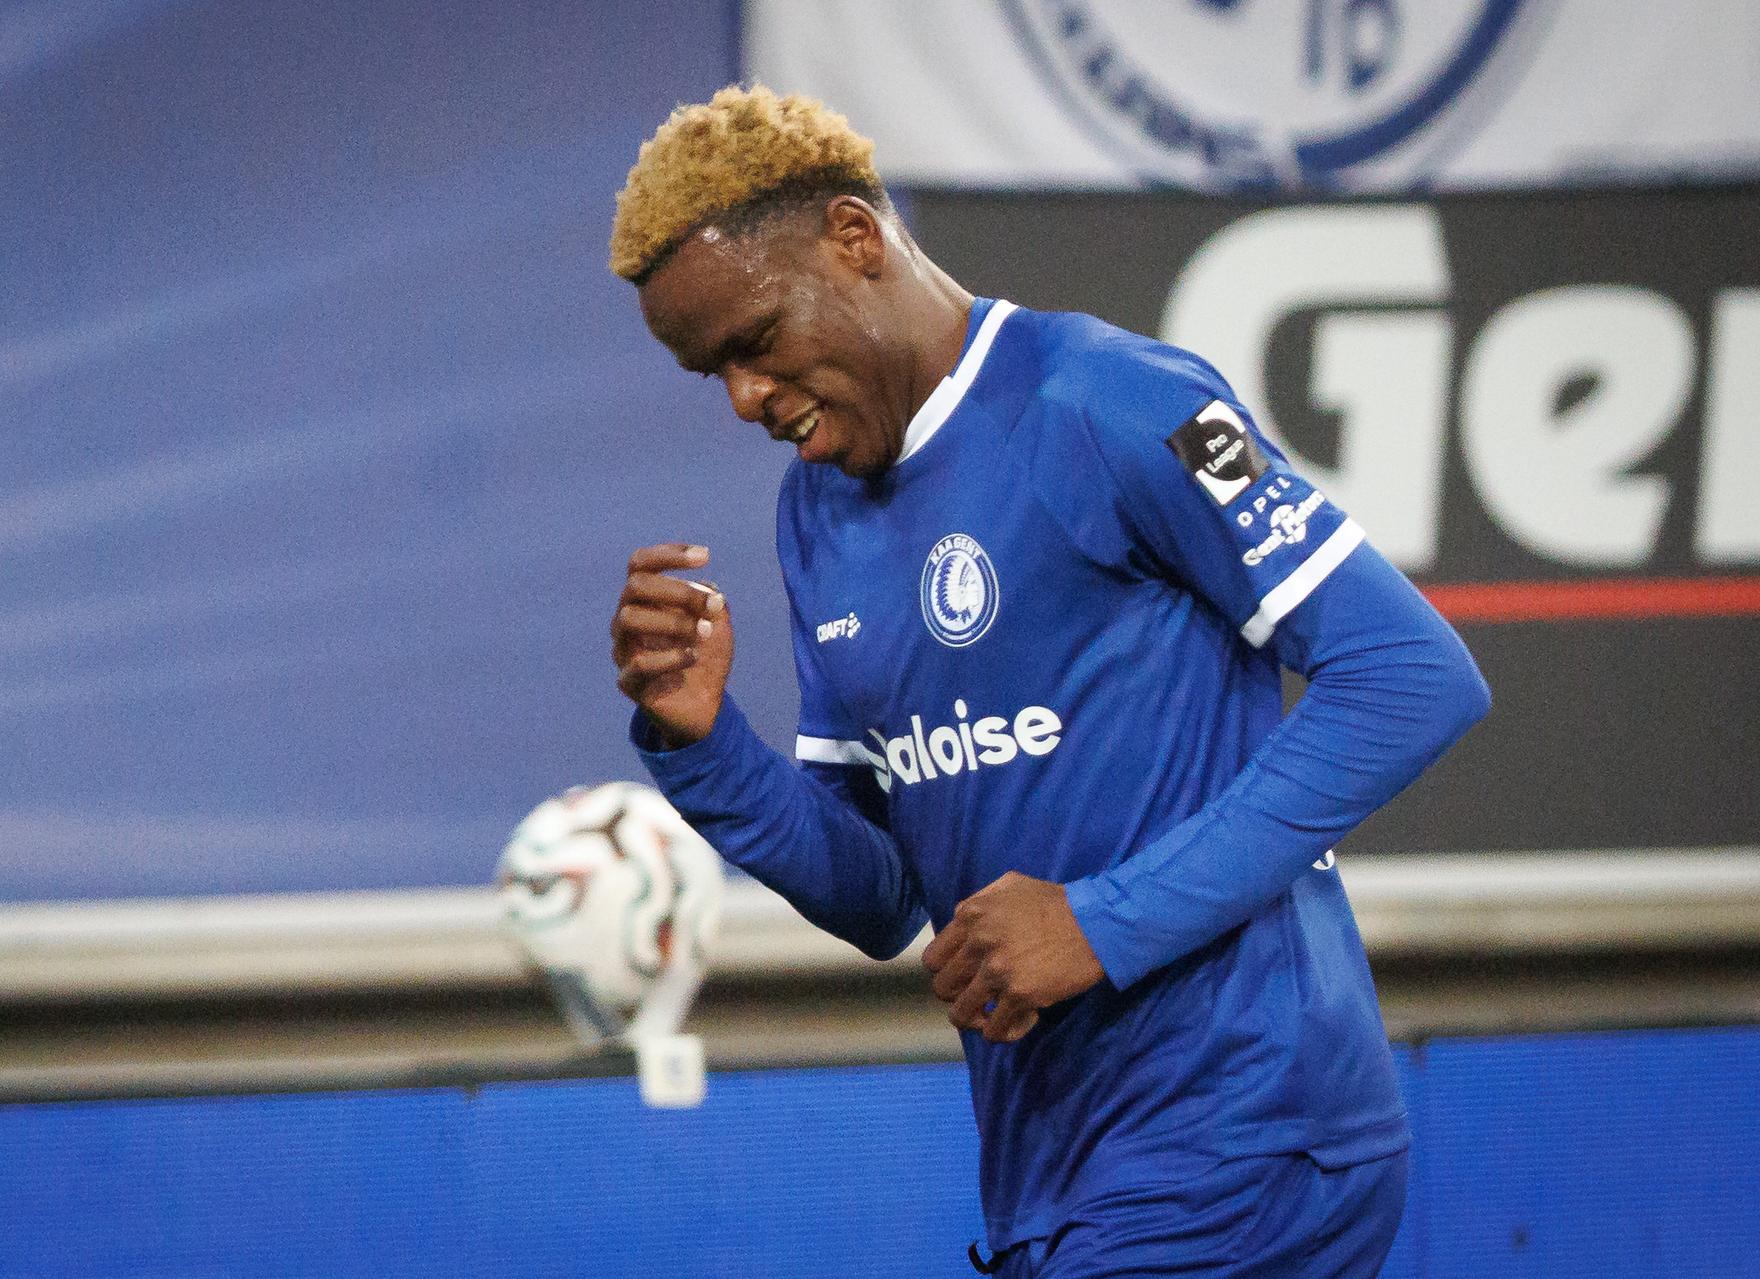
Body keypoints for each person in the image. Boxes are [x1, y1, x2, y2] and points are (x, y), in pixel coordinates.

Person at [605, 86, 1488, 1278]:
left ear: (855, 240)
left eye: (754, 341)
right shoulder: (815, 516)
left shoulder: (1117, 399)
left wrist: (1099, 923)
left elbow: (1409, 675)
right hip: (1053, 1174)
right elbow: (879, 896)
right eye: (711, 372)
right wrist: (705, 745)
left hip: (1244, 1139)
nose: (746, 399)